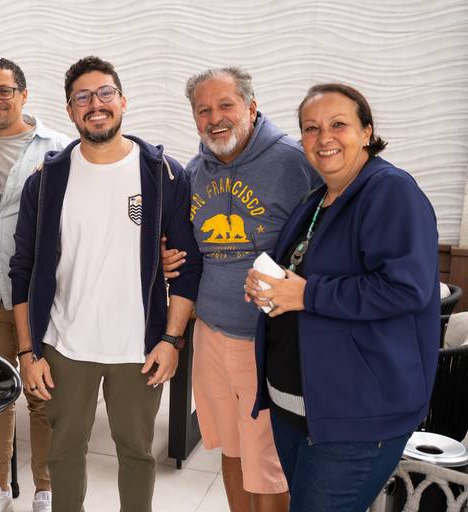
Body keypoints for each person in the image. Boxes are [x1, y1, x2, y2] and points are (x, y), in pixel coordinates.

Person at [10, 55, 201, 512]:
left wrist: (171, 340)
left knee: (137, 453)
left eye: (105, 93)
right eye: (83, 97)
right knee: (64, 452)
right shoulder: (47, 181)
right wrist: (28, 352)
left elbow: (188, 265)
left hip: (138, 348)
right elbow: (23, 270)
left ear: (122, 101)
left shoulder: (163, 174)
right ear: (70, 110)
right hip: (65, 344)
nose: (95, 104)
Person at [245, 83, 439, 511]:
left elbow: (405, 288)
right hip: (297, 408)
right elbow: (302, 281)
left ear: (367, 131)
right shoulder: (317, 200)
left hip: (357, 417)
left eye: (338, 125)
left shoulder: (390, 191)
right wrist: (271, 288)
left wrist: (307, 294)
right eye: (311, 128)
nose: (323, 138)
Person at [164, 67, 320, 512]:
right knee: (230, 450)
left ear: (251, 107)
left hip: (268, 340)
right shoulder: (195, 170)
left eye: (226, 105)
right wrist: (166, 256)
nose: (215, 118)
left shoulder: (295, 162)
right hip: (211, 333)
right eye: (203, 110)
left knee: (266, 462)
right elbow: (188, 249)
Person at [0, 57, 70, 512]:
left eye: (4, 91)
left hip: (40, 300)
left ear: (23, 95)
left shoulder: (58, 149)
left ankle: (45, 489)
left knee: (41, 397)